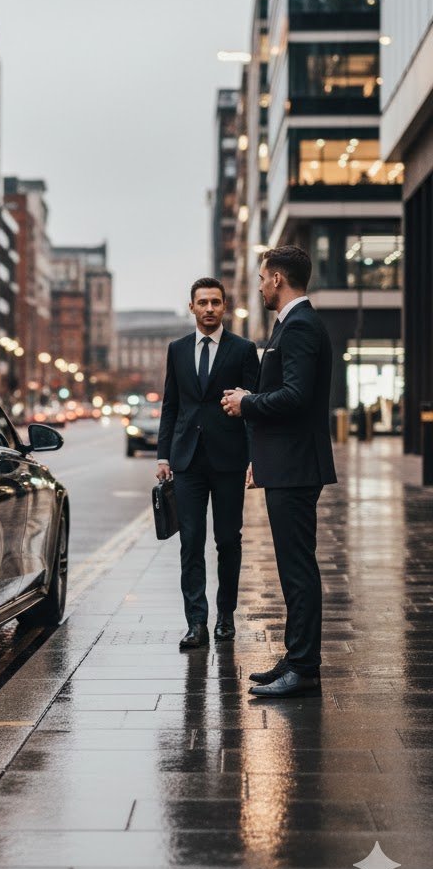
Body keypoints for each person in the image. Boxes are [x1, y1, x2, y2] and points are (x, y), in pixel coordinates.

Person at [221, 245, 337, 698]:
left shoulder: (302, 325)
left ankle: (304, 667)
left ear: (277, 279)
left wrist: (245, 403)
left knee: (298, 568)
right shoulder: (292, 324)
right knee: (293, 567)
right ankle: (295, 657)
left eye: (263, 278)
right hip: (285, 464)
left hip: (295, 467)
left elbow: (295, 397)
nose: (260, 285)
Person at [156, 278, 259, 651]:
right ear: (192, 307)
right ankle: (196, 623)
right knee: (191, 543)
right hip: (186, 461)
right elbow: (172, 403)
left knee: (228, 541)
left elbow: (252, 408)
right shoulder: (177, 349)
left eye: (216, 302)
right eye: (203, 302)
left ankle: (226, 617)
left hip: (229, 460)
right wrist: (163, 454)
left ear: (225, 307)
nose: (210, 308)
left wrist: (254, 459)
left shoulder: (244, 350)